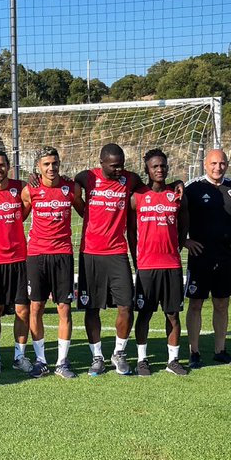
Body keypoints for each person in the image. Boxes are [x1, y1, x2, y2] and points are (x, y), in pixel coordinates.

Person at [74, 143, 142, 376]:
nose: (119, 170)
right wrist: (85, 210)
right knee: (92, 307)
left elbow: (152, 187)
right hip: (90, 253)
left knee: (126, 305)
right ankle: (97, 356)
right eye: (114, 166)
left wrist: (176, 185)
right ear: (101, 162)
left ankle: (119, 353)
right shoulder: (86, 177)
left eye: (122, 165)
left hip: (117, 252)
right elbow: (73, 187)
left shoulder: (130, 179)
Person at [183, 148, 231, 368]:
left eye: (222, 163)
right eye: (213, 163)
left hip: (225, 255)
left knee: (222, 303)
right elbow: (176, 213)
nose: (218, 167)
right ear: (205, 164)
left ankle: (220, 350)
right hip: (199, 255)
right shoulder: (193, 187)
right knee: (195, 304)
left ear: (227, 164)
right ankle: (194, 351)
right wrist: (184, 240)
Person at [23, 146, 84, 378]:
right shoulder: (30, 191)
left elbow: (86, 213)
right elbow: (18, 216)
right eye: (46, 164)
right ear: (38, 167)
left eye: (55, 163)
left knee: (64, 308)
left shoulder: (71, 188)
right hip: (37, 255)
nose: (51, 168)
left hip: (63, 255)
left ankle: (62, 362)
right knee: (36, 307)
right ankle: (40, 361)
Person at [130, 149, 190, 377]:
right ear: (147, 169)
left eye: (163, 166)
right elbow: (131, 231)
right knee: (144, 314)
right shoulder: (137, 196)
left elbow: (185, 222)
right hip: (146, 266)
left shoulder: (176, 194)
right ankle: (142, 360)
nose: (159, 170)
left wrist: (180, 244)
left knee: (172, 314)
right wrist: (136, 258)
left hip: (172, 265)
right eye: (155, 166)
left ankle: (173, 360)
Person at [0, 149, 32, 374]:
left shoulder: (21, 188)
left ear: (8, 166)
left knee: (22, 310)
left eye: (2, 165)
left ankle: (20, 357)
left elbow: (27, 210)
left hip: (20, 259)